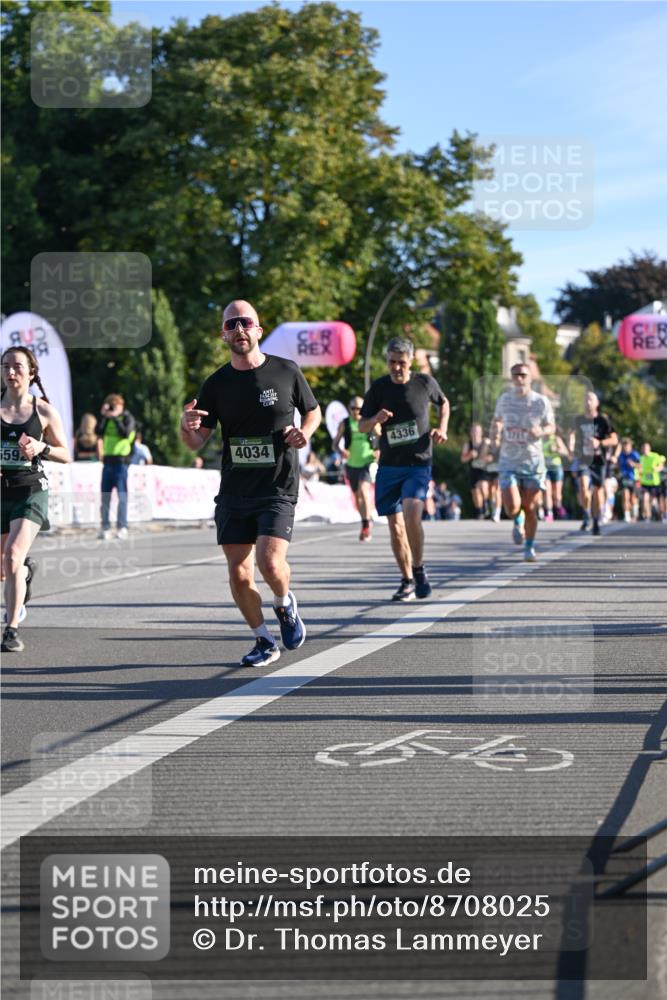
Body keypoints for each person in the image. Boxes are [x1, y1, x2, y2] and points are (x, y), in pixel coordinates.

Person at [180, 299, 321, 667]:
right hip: (235, 491)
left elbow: (313, 410)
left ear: (259, 329)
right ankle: (263, 640)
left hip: (277, 486)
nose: (239, 329)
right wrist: (186, 427)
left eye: (245, 322)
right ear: (223, 334)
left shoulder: (286, 371)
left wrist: (305, 433)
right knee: (239, 572)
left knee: (270, 564)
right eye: (231, 324)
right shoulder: (216, 384)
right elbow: (196, 442)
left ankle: (285, 603)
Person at [359, 336, 449, 601]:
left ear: (410, 361)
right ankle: (407, 579)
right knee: (396, 527)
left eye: (402, 362)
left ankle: (419, 569)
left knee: (412, 512)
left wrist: (442, 428)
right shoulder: (379, 388)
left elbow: (443, 403)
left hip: (418, 463)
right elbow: (362, 425)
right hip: (389, 465)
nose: (397, 367)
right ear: (387, 361)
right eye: (392, 362)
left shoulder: (424, 383)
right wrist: (376, 419)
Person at [1, 346, 70, 652]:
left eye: (17, 366)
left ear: (31, 373)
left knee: (13, 555)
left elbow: (65, 454)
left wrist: (41, 448)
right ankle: (25, 573)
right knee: (5, 567)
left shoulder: (43, 411)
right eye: (5, 366)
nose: (10, 372)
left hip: (30, 489)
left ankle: (11, 630)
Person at [491, 363, 555, 562]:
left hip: (533, 461)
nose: (519, 379)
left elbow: (551, 427)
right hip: (509, 460)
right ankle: (517, 520)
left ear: (530, 378)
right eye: (515, 375)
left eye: (523, 375)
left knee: (530, 507)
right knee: (512, 507)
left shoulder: (541, 401)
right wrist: (496, 432)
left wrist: (541, 431)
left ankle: (529, 546)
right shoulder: (504, 400)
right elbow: (497, 420)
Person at [568, 391, 617, 536]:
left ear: (597, 403)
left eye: (591, 399)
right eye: (586, 399)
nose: (588, 402)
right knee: (583, 486)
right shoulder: (578, 420)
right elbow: (571, 433)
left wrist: (599, 442)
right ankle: (586, 514)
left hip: (599, 461)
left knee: (598, 491)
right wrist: (570, 446)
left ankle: (595, 520)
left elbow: (614, 439)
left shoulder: (603, 420)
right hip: (584, 459)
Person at [333, 396, 378, 541]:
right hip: (351, 464)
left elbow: (381, 438)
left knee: (364, 491)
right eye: (353, 408)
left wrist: (378, 451)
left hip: (367, 462)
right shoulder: (345, 423)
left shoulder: (370, 422)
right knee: (357, 497)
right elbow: (334, 444)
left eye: (359, 408)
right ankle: (365, 520)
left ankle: (366, 525)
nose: (356, 411)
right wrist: (341, 451)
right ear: (349, 409)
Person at [96, 393, 136, 541]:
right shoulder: (107, 419)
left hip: (121, 463)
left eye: (115, 406)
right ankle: (105, 527)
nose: (113, 409)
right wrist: (104, 416)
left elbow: (125, 433)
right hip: (107, 462)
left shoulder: (127, 418)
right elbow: (98, 432)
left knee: (122, 496)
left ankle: (122, 527)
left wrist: (115, 418)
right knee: (105, 497)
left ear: (121, 406)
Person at [460, 423, 489, 519]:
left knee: (483, 486)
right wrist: (469, 455)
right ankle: (480, 511)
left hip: (483, 470)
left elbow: (492, 455)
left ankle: (486, 504)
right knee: (475, 492)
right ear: (471, 433)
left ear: (481, 432)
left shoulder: (485, 443)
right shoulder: (467, 445)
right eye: (474, 431)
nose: (476, 433)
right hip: (472, 470)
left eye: (478, 431)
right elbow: (463, 459)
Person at [542, 428, 569, 520]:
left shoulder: (556, 439)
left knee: (557, 494)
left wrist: (557, 450)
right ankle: (549, 513)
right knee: (547, 491)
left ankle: (558, 507)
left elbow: (565, 452)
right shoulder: (540, 439)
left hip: (556, 468)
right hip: (545, 468)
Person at [638, 441, 666, 522]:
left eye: (646, 448)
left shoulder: (655, 456)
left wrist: (657, 468)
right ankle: (648, 516)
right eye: (643, 448)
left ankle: (658, 514)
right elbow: (639, 468)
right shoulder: (641, 458)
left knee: (653, 501)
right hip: (645, 482)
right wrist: (639, 470)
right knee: (645, 498)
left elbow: (662, 463)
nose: (645, 450)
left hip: (654, 482)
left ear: (649, 449)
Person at [614, 437, 640, 522]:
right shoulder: (620, 455)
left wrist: (633, 464)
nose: (626, 448)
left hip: (634, 479)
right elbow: (617, 466)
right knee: (625, 495)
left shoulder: (634, 454)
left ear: (630, 446)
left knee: (633, 498)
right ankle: (627, 514)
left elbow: (641, 466)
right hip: (624, 478)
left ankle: (635, 514)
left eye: (627, 446)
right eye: (624, 446)